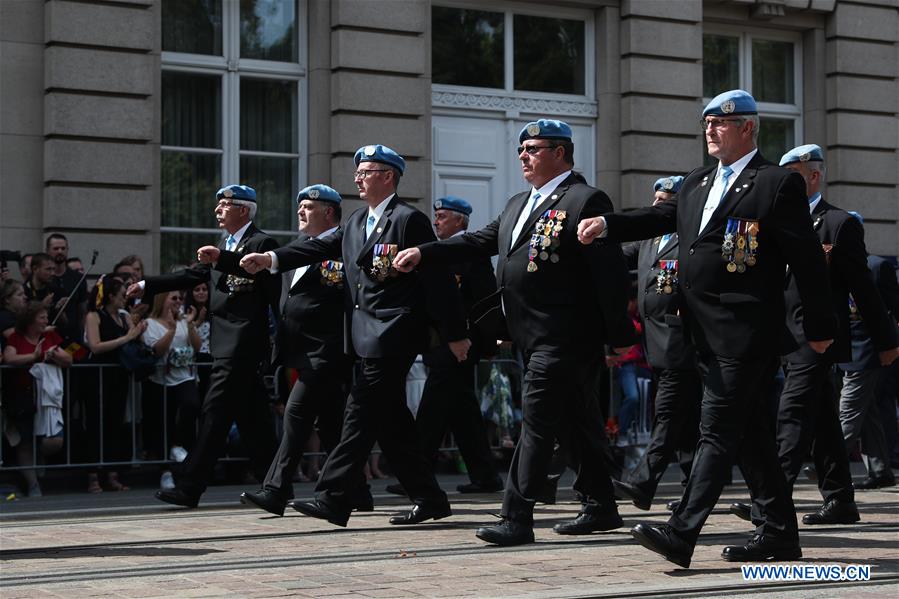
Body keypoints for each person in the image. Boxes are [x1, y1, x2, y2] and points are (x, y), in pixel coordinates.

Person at [577, 90, 836, 567]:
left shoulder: (776, 183)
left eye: (722, 122)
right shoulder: (696, 182)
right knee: (753, 436)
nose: (712, 130)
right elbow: (659, 217)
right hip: (699, 331)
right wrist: (607, 224)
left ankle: (682, 532)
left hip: (745, 331)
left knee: (714, 431)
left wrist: (821, 326)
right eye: (707, 123)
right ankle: (779, 532)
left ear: (749, 128)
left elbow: (807, 262)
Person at [394, 120, 636, 546]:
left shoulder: (584, 199)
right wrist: (424, 252)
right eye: (520, 149)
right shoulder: (518, 203)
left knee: (537, 423)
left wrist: (617, 334)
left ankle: (516, 517)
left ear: (560, 152)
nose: (523, 155)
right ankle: (601, 505)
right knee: (577, 424)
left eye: (533, 148)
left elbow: (609, 272)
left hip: (566, 335)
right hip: (531, 335)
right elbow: (476, 242)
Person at [240, 144, 468, 527]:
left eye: (366, 172)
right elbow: (317, 247)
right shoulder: (358, 221)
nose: (358, 178)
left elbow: (438, 278)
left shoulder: (407, 220)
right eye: (358, 172)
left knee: (359, 413)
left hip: (393, 334)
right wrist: (271, 259)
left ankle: (333, 497)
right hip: (363, 335)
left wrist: (455, 333)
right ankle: (430, 497)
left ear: (388, 176)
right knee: (393, 423)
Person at [728, 145, 898, 526]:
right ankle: (839, 498)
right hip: (781, 337)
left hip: (818, 338)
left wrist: (887, 341)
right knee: (822, 418)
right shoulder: (773, 222)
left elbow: (864, 289)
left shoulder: (837, 224)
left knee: (792, 415)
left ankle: (769, 499)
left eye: (793, 178)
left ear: (814, 177)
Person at [128, 184, 281, 508]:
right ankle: (277, 487)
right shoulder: (225, 244)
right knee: (254, 420)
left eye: (224, 205)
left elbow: (258, 278)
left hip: (243, 343)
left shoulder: (261, 243)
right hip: (226, 344)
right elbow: (191, 276)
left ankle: (190, 486)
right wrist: (147, 284)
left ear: (243, 209)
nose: (217, 211)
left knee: (214, 414)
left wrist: (222, 258)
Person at [241, 184, 373, 516]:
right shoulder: (298, 248)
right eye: (299, 205)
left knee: (297, 414)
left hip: (328, 350)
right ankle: (358, 491)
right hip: (299, 351)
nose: (300, 210)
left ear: (329, 212)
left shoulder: (345, 244)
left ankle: (275, 489)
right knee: (331, 425)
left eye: (309, 206)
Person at [389, 196, 503, 497]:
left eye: (442, 216)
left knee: (431, 411)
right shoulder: (440, 251)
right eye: (435, 215)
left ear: (459, 221)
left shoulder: (468, 251)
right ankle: (485, 474)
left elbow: (481, 299)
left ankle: (416, 475)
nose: (436, 221)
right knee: (462, 412)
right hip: (440, 341)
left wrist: (479, 341)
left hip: (457, 343)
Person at [613, 176, 701, 511]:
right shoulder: (651, 238)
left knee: (667, 414)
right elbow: (618, 255)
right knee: (686, 423)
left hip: (681, 342)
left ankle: (643, 481)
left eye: (664, 200)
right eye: (655, 199)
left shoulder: (691, 236)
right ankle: (693, 494)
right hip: (656, 343)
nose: (656, 206)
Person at [835, 251, 899, 490]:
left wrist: (890, 346)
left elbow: (892, 307)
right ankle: (880, 469)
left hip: (869, 352)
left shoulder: (877, 266)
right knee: (869, 411)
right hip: (844, 352)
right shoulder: (834, 262)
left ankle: (829, 464)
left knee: (849, 411)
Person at [83, 275, 147, 493]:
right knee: (96, 424)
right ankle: (93, 475)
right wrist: (127, 338)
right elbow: (95, 346)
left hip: (119, 375)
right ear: (110, 296)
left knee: (115, 423)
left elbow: (134, 337)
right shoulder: (94, 316)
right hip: (98, 377)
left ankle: (111, 474)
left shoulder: (123, 316)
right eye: (121, 295)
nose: (124, 299)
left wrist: (138, 332)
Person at [2, 301, 71, 496]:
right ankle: (33, 484)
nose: (46, 321)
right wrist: (34, 356)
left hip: (47, 396)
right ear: (30, 320)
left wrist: (54, 356)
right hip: (22, 395)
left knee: (54, 440)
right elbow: (10, 359)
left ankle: (40, 455)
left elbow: (69, 358)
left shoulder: (49, 335)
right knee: (24, 440)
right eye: (42, 317)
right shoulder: (16, 338)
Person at [141, 290, 201, 490]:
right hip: (160, 380)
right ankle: (165, 471)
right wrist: (171, 330)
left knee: (190, 406)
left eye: (180, 299)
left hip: (185, 376)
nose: (178, 302)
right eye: (173, 298)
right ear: (162, 300)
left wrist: (190, 324)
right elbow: (157, 350)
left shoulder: (184, 320)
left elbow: (197, 347)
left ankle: (178, 448)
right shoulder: (150, 324)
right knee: (162, 424)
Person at [45, 233, 87, 343]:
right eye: (56, 248)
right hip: (48, 334)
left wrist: (82, 336)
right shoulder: (42, 278)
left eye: (63, 248)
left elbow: (82, 311)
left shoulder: (78, 278)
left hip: (73, 337)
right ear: (48, 250)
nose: (60, 251)